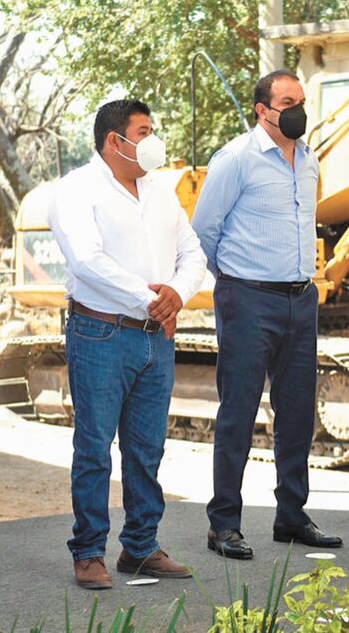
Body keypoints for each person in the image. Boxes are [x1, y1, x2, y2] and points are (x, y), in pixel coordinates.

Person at [49, 99, 206, 589]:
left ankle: (140, 546)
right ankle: (89, 552)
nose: (152, 139)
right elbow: (86, 260)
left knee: (147, 448)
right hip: (101, 332)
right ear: (114, 140)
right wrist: (151, 299)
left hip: (155, 337)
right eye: (143, 131)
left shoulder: (159, 192)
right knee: (94, 447)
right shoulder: (77, 189)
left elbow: (193, 251)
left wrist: (177, 292)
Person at [192, 69, 342, 560]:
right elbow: (204, 230)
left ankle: (291, 516)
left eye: (302, 101)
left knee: (297, 412)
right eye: (287, 102)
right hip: (249, 298)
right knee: (238, 411)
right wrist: (233, 279)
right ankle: (223, 524)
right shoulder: (236, 158)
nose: (298, 110)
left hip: (301, 298)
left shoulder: (310, 160)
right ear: (262, 110)